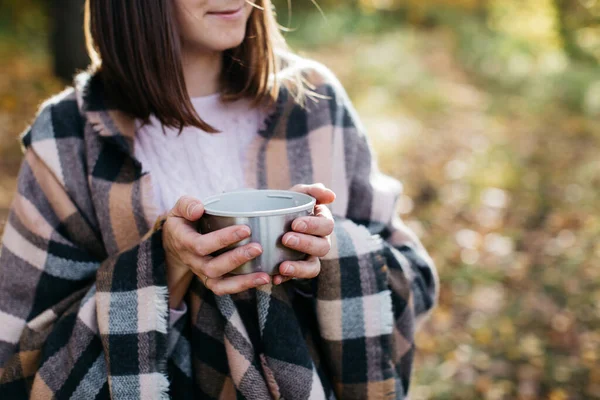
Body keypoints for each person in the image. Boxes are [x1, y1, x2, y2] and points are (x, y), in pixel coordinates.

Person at [0, 0, 438, 398]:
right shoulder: (68, 137)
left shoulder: (313, 98)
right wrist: (166, 264)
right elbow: (21, 359)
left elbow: (412, 279)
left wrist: (331, 251)